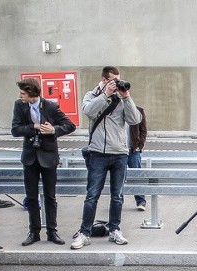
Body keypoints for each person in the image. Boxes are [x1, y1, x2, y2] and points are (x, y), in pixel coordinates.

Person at [71, 66, 142, 249]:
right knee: (92, 195)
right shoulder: (91, 95)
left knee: (117, 196)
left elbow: (135, 120)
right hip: (98, 153)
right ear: (104, 80)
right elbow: (88, 112)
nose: (117, 83)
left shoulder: (121, 98)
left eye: (118, 80)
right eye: (113, 81)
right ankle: (84, 233)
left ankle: (114, 230)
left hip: (119, 153)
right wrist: (105, 95)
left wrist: (126, 97)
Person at [10, 78, 76, 247]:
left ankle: (52, 231)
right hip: (30, 157)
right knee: (31, 197)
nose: (20, 95)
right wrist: (35, 127)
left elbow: (70, 125)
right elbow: (15, 129)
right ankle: (34, 232)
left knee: (50, 196)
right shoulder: (20, 106)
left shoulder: (50, 106)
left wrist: (54, 130)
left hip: (48, 156)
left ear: (32, 93)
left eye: (23, 93)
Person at [127, 104, 148, 211]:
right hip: (118, 150)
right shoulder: (114, 110)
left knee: (137, 176)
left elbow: (143, 129)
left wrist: (140, 145)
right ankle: (117, 201)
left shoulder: (138, 110)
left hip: (133, 150)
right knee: (117, 177)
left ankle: (141, 201)